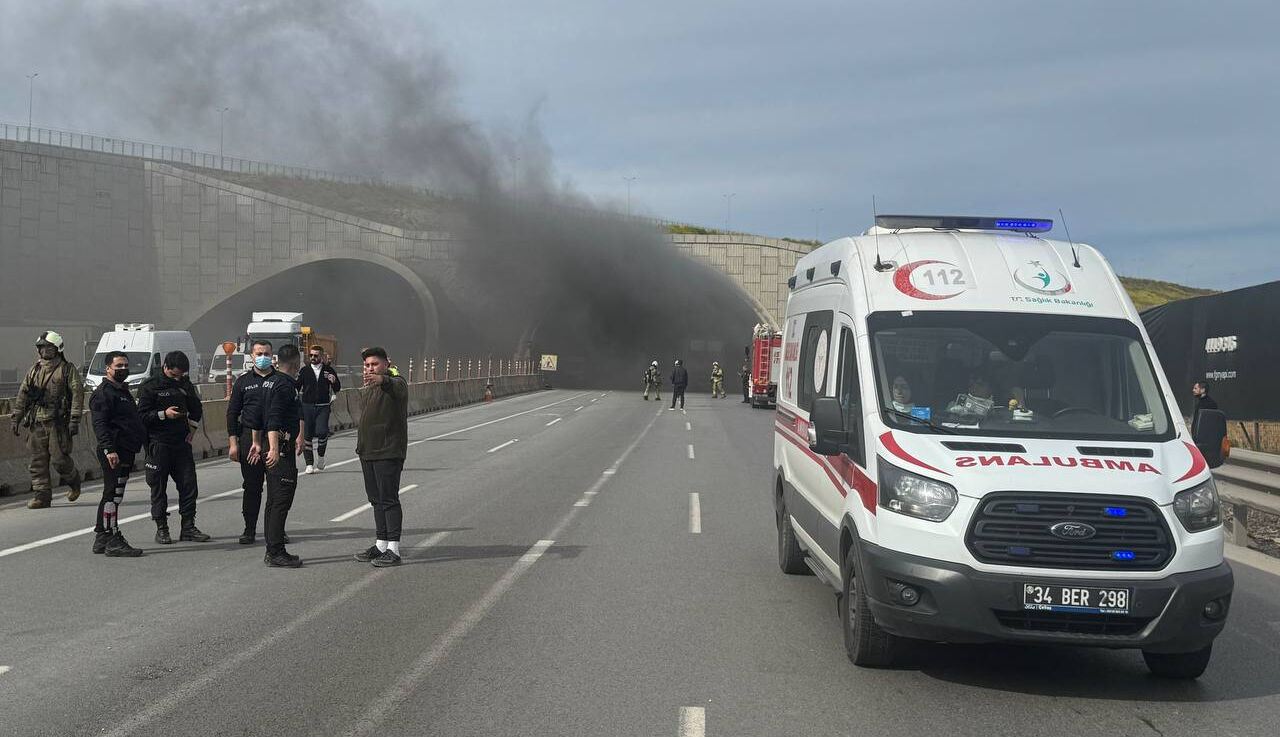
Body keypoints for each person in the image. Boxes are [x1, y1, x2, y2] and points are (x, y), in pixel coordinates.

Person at [138, 351, 211, 545]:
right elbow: (142, 416)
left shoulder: (185, 384)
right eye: (174, 374)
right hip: (158, 444)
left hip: (181, 444)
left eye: (181, 375)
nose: (178, 378)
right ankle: (162, 528)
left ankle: (188, 527)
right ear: (165, 368)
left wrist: (192, 430)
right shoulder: (149, 387)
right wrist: (163, 414)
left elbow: (197, 409)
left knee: (189, 486)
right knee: (158, 488)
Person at [10, 331, 84, 509]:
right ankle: (42, 497)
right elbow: (23, 395)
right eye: (42, 348)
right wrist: (16, 418)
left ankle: (74, 482)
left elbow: (77, 394)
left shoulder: (67, 369)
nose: (45, 351)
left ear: (58, 348)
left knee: (59, 460)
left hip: (57, 423)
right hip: (37, 423)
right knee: (37, 462)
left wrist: (74, 419)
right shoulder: (34, 370)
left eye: (49, 347)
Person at [353, 346, 410, 567]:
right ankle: (381, 544)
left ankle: (394, 549)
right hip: (368, 451)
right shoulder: (368, 387)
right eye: (367, 365)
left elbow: (397, 385)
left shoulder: (396, 382)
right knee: (375, 500)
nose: (369, 369)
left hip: (388, 451)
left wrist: (382, 379)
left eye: (374, 364)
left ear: (387, 363)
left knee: (388, 499)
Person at [89, 351, 146, 557]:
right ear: (108, 369)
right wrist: (109, 449)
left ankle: (101, 537)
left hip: (126, 449)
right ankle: (113, 538)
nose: (123, 369)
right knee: (112, 496)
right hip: (114, 451)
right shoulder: (104, 393)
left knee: (112, 494)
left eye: (125, 366)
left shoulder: (123, 391)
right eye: (118, 366)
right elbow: (100, 424)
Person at [260, 344, 305, 568]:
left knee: (273, 501)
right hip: (281, 451)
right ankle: (276, 551)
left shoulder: (271, 381)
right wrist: (275, 449)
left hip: (279, 446)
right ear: (297, 364)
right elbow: (273, 418)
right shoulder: (284, 386)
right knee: (281, 501)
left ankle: (272, 547)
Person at [227, 340, 276, 545]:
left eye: (266, 353)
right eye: (258, 353)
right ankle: (249, 529)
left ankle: (275, 530)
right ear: (252, 356)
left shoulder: (281, 381)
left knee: (277, 489)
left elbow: (294, 412)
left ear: (272, 356)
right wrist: (233, 444)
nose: (262, 356)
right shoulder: (243, 382)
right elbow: (232, 413)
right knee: (252, 487)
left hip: (275, 439)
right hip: (248, 439)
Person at [298, 345, 341, 474]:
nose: (313, 358)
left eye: (316, 355)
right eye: (311, 355)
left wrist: (333, 381)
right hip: (307, 406)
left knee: (322, 432)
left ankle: (321, 456)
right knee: (308, 435)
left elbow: (337, 387)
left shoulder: (329, 370)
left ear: (321, 356)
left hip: (323, 406)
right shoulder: (304, 371)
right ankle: (309, 464)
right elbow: (297, 386)